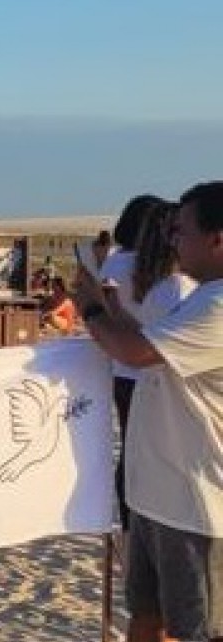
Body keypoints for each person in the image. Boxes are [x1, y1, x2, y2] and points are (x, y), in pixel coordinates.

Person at [52, 181, 223, 642]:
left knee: (215, 630)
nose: (170, 239)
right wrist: (99, 302)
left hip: (203, 495)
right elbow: (135, 337)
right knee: (148, 613)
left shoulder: (219, 304)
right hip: (160, 484)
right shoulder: (199, 295)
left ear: (216, 238)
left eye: (181, 229)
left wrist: (96, 310)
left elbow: (137, 351)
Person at [98, 197, 191, 521]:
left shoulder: (115, 265)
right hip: (151, 369)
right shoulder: (176, 286)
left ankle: (129, 520)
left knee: (132, 447)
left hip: (122, 367)